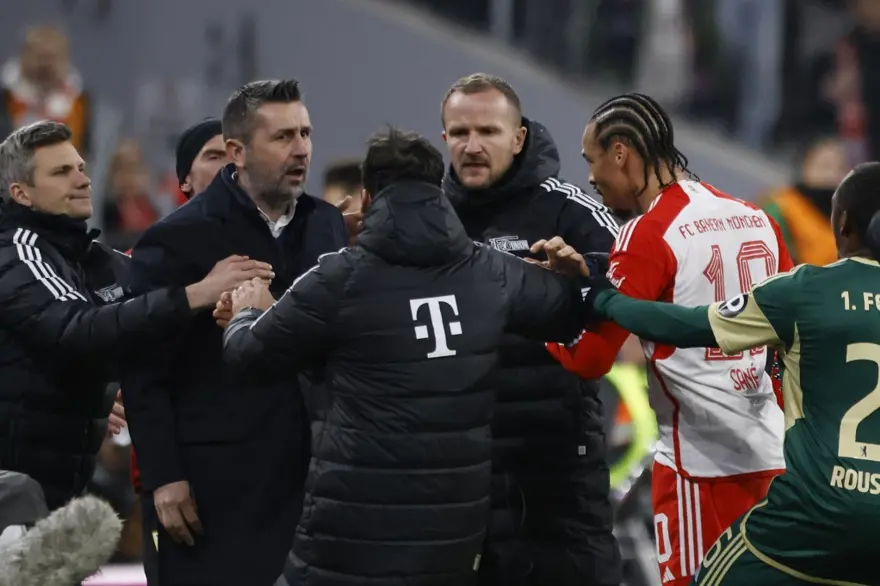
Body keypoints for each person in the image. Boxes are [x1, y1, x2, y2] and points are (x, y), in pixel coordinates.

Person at [221, 125, 593, 586]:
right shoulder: (490, 271)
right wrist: (571, 276)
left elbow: (247, 355)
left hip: (350, 536)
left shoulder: (340, 279)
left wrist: (248, 311)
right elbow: (571, 312)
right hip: (453, 536)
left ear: (367, 197)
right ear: (438, 188)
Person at [545, 161, 880, 586]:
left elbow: (687, 327)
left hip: (813, 511)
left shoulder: (809, 290)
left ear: (843, 224)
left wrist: (604, 298)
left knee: (708, 577)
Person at [540, 93, 792, 586]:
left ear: (620, 153)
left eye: (591, 160)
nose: (590, 177)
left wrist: (539, 323)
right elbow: (790, 338)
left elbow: (590, 358)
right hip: (774, 460)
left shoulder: (647, 233)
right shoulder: (757, 217)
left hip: (700, 468)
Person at [121, 79, 349, 586]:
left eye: (306, 133)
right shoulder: (176, 238)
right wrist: (164, 475)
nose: (301, 149)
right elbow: (142, 368)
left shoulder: (327, 224)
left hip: (315, 481)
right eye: (283, 137)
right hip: (217, 487)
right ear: (237, 152)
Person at [0, 120, 270, 511]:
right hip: (13, 486)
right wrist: (197, 293)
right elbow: (75, 329)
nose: (82, 180)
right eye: (61, 172)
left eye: (80, 168)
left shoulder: (90, 256)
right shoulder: (18, 251)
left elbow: (142, 313)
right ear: (21, 193)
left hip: (51, 483)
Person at [439, 72, 622, 586]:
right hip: (458, 454)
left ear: (519, 137)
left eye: (488, 132)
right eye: (460, 133)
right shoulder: (430, 217)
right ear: (444, 137)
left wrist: (584, 275)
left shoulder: (569, 208)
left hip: (555, 455)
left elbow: (629, 274)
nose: (472, 146)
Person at [126, 116, 228, 586]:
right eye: (214, 155)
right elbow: (142, 370)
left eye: (235, 154)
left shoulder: (282, 241)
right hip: (179, 479)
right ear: (183, 180)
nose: (229, 165)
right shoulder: (156, 252)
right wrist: (161, 475)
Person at [759, 136, 849, 266]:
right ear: (805, 167)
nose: (832, 175)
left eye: (841, 169)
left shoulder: (846, 225)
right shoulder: (781, 208)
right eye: (825, 166)